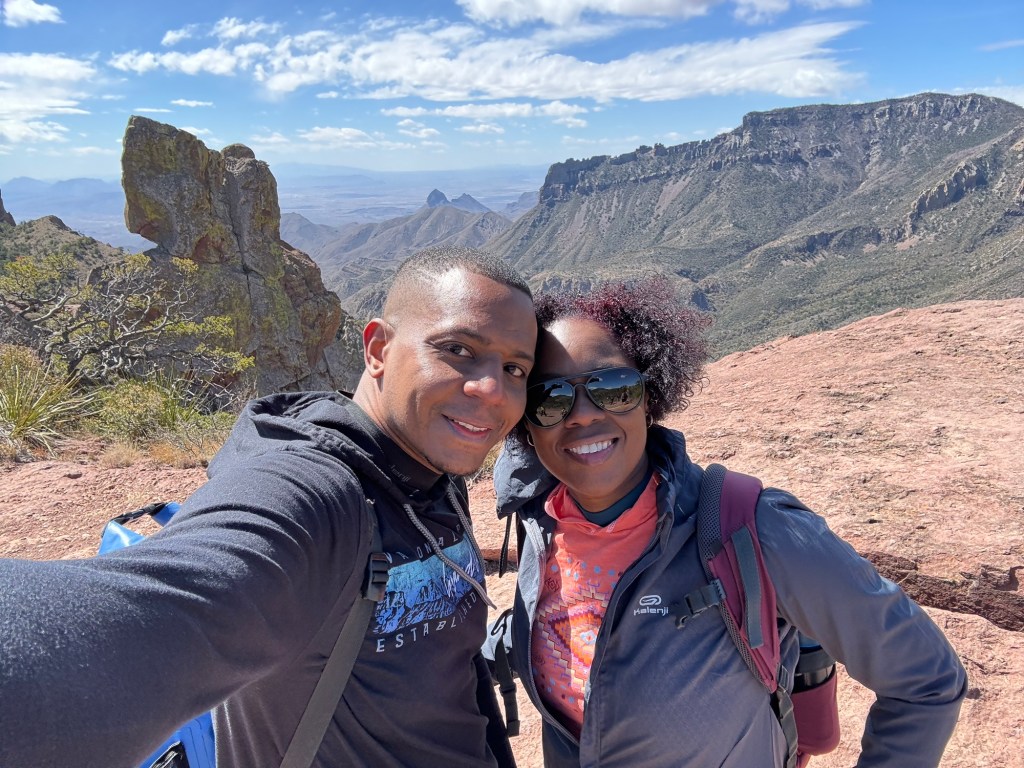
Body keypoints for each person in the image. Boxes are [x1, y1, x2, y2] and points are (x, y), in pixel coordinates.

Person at [0, 246, 537, 768]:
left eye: (515, 368)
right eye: (457, 349)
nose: (492, 388)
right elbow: (147, 616)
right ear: (377, 349)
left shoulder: (435, 468)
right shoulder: (314, 495)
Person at [489, 277, 967, 767]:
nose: (582, 415)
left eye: (613, 388)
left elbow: (926, 680)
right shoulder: (539, 523)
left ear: (650, 396)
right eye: (549, 399)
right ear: (525, 420)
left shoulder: (755, 528)